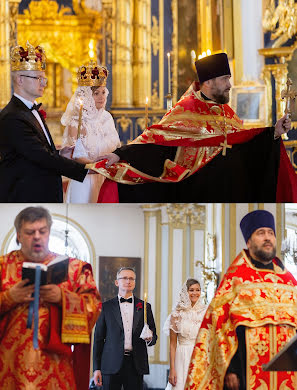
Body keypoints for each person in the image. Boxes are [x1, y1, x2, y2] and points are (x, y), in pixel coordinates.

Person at [87, 52, 297, 203]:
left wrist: (274, 132)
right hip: (197, 192)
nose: (229, 85)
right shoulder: (185, 109)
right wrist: (120, 154)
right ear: (209, 81)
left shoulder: (226, 112)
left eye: (229, 79)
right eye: (225, 79)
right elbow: (155, 139)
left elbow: (243, 142)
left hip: (232, 192)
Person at [185, 210, 297, 390]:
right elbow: (219, 327)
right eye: (261, 233)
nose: (267, 238)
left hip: (288, 371)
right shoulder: (236, 279)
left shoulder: (289, 281)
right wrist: (230, 370)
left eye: (270, 233)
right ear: (249, 241)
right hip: (247, 368)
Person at [0, 206, 101, 390]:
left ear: (49, 232)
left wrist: (63, 298)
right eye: (30, 232)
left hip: (56, 365)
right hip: (8, 366)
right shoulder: (3, 267)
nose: (36, 236)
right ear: (18, 235)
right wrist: (8, 297)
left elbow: (94, 307)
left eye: (42, 231)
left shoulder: (74, 269)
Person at [0, 41, 89, 202]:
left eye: (44, 78)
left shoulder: (29, 111)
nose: (44, 83)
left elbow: (37, 152)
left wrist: (60, 153)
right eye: (38, 78)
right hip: (25, 198)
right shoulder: (12, 116)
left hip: (39, 195)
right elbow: (41, 157)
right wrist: (87, 169)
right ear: (20, 79)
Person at [60, 61, 121, 203]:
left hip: (106, 179)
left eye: (103, 92)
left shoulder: (107, 117)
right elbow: (74, 155)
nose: (102, 97)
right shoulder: (76, 121)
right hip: (84, 180)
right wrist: (95, 165)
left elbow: (116, 147)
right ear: (86, 95)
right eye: (96, 93)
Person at [92, 266, 158, 390]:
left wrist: (150, 338)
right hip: (111, 364)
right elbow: (98, 340)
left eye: (132, 279)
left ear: (135, 282)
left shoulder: (144, 307)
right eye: (125, 278)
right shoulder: (105, 307)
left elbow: (154, 337)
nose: (128, 281)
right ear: (117, 282)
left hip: (135, 364)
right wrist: (96, 368)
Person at [163, 278, 207, 390]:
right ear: (185, 292)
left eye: (198, 290)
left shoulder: (205, 312)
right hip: (182, 357)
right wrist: (172, 369)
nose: (195, 293)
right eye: (191, 290)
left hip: (200, 356)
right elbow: (172, 345)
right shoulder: (176, 314)